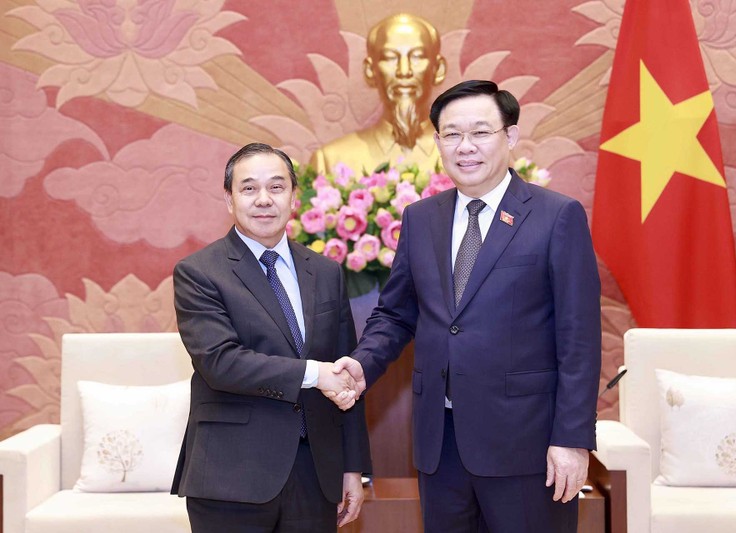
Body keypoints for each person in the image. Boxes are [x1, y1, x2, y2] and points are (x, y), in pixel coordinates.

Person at [334, 80, 602, 532]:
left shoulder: (557, 216)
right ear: (437, 142)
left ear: (510, 138)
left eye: (480, 132)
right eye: (451, 134)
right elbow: (397, 314)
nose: (465, 147)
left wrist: (572, 439)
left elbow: (579, 337)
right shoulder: (421, 218)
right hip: (442, 445)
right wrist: (362, 365)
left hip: (528, 445)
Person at [171, 143, 371, 532]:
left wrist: (353, 468)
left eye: (277, 187)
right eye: (249, 189)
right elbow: (220, 362)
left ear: (295, 198)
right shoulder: (199, 272)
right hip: (231, 475)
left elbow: (348, 370)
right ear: (229, 199)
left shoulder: (326, 272)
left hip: (315, 474)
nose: (264, 199)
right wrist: (315, 374)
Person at [310, 13, 447, 175]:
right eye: (390, 58)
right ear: (370, 70)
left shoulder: (466, 158)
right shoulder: (330, 161)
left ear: (438, 69)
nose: (404, 71)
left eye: (417, 56)